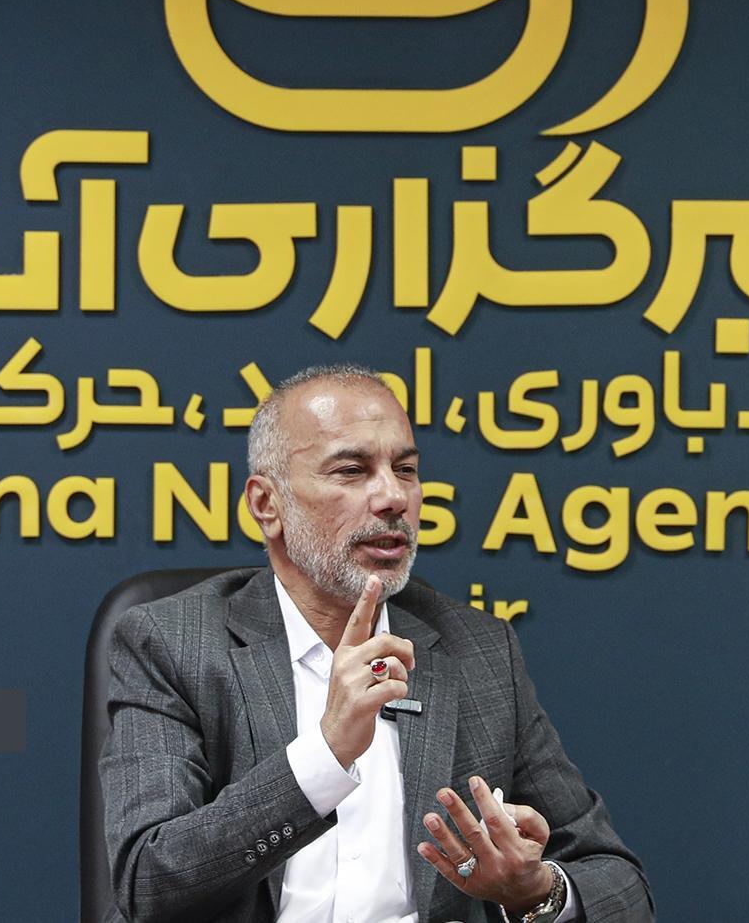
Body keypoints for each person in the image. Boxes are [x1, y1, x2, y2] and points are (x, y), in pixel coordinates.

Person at [100, 364, 653, 923]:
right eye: (352, 470)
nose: (393, 497)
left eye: (405, 470)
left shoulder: (478, 651)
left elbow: (618, 883)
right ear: (268, 504)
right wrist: (324, 757)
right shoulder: (171, 643)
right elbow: (149, 883)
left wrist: (536, 891)